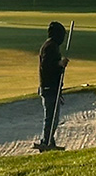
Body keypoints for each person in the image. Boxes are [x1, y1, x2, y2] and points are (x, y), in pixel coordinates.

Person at [35, 21, 69, 152]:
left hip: (52, 87)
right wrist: (59, 64)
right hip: (49, 88)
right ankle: (46, 142)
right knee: (51, 118)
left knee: (52, 118)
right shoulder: (50, 47)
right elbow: (47, 66)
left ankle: (50, 141)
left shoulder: (51, 46)